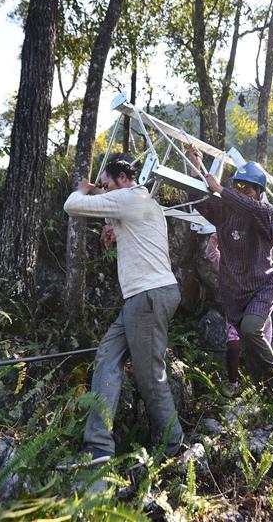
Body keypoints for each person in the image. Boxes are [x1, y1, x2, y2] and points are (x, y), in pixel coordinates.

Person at [62, 157, 183, 467]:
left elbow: (72, 206)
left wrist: (83, 190)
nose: (103, 189)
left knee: (148, 376)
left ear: (121, 179)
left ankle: (173, 447)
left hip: (148, 296)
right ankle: (99, 449)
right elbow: (118, 211)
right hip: (142, 298)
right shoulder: (141, 202)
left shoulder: (132, 198)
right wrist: (110, 224)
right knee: (107, 356)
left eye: (106, 183)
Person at [189, 145, 273, 397]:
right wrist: (196, 167)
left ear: (259, 193)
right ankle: (265, 393)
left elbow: (249, 206)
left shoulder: (265, 214)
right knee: (245, 341)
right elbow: (197, 198)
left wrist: (221, 189)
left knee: (251, 330)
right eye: (238, 186)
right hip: (235, 294)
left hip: (261, 288)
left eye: (248, 188)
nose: (241, 191)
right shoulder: (225, 214)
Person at [206, 234, 273, 397]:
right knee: (234, 346)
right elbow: (211, 254)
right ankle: (233, 383)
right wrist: (217, 234)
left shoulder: (261, 264)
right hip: (236, 314)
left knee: (260, 349)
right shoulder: (227, 264)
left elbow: (270, 248)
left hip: (259, 314)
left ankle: (267, 387)